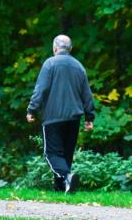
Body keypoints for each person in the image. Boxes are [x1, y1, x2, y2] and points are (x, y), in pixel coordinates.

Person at [26, 34, 95, 193]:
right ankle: (61, 187)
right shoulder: (79, 66)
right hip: (74, 118)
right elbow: (87, 94)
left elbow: (40, 89)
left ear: (54, 48)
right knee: (66, 154)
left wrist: (32, 109)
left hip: (53, 117)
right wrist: (89, 116)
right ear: (70, 48)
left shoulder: (50, 63)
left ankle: (66, 177)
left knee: (52, 154)